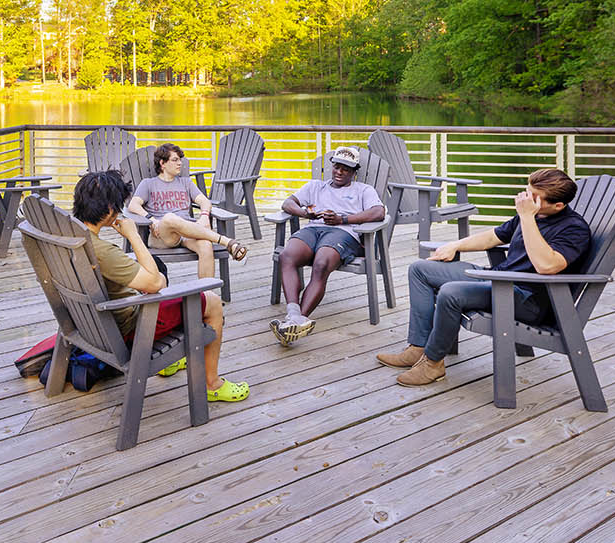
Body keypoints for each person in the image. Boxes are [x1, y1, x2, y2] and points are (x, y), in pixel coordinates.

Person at [377, 168, 591, 387]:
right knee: (420, 269)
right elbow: (493, 237)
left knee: (451, 292)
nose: (525, 200)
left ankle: (433, 364)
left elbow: (547, 266)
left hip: (525, 299)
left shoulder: (574, 229)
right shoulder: (535, 213)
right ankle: (418, 348)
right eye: (527, 192)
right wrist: (455, 245)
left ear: (558, 205)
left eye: (534, 197)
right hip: (499, 281)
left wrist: (527, 217)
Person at [72, 171, 249, 402]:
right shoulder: (102, 252)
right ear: (108, 209)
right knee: (212, 301)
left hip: (94, 325)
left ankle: (172, 364)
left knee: (161, 281)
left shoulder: (71, 237)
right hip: (132, 328)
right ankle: (212, 384)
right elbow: (155, 284)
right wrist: (133, 235)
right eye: (118, 206)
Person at [272, 146, 386, 344]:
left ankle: (299, 319)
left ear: (354, 172)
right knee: (287, 256)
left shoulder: (363, 190)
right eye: (337, 167)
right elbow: (287, 203)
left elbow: (379, 212)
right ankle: (293, 315)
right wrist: (305, 213)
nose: (340, 172)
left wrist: (343, 219)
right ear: (331, 166)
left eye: (346, 169)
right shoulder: (315, 186)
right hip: (313, 229)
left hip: (344, 233)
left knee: (322, 263)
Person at [126, 143, 249, 279]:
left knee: (206, 245)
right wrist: (151, 219)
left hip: (187, 233)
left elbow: (204, 201)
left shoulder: (186, 182)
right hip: (162, 234)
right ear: (162, 163)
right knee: (169, 218)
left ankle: (207, 296)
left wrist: (203, 215)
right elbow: (133, 205)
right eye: (175, 160)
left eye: (180, 160)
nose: (180, 163)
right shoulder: (148, 183)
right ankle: (227, 242)